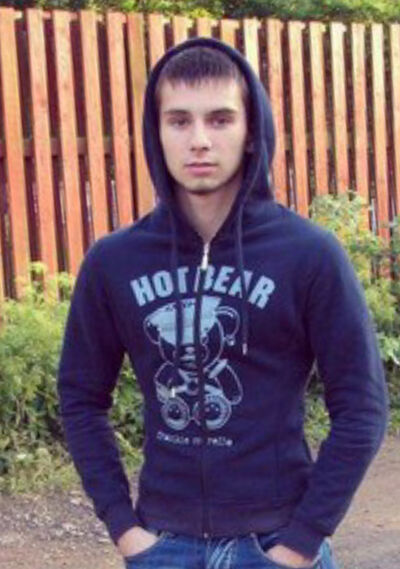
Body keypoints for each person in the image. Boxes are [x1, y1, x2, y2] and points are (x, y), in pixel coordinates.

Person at [57, 37, 388, 569]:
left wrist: (301, 542)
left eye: (220, 119)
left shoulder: (308, 254)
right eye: (179, 121)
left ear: (251, 131)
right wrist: (124, 527)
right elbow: (79, 396)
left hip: (276, 543)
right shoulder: (114, 262)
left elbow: (362, 406)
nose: (200, 141)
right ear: (156, 132)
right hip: (162, 544)